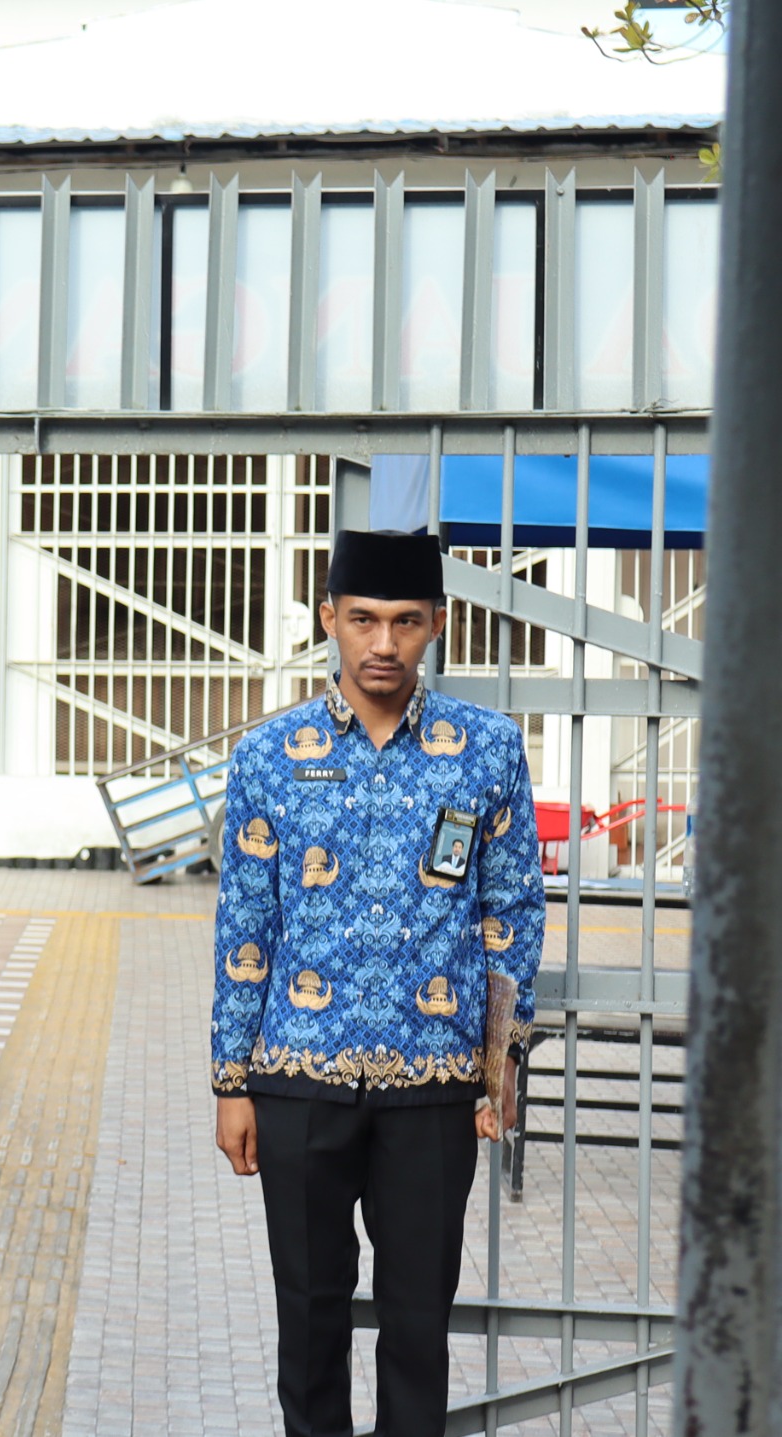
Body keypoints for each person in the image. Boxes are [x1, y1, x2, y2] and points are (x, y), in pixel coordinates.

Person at [210, 529, 546, 1437]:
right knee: (310, 1315)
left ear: (438, 623)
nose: (383, 642)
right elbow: (245, 926)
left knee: (415, 1326)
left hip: (433, 1091)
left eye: (404, 620)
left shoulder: (487, 749)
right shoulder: (271, 754)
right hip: (299, 1078)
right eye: (362, 619)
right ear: (330, 620)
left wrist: (497, 1065)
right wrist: (230, 1081)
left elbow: (511, 914)